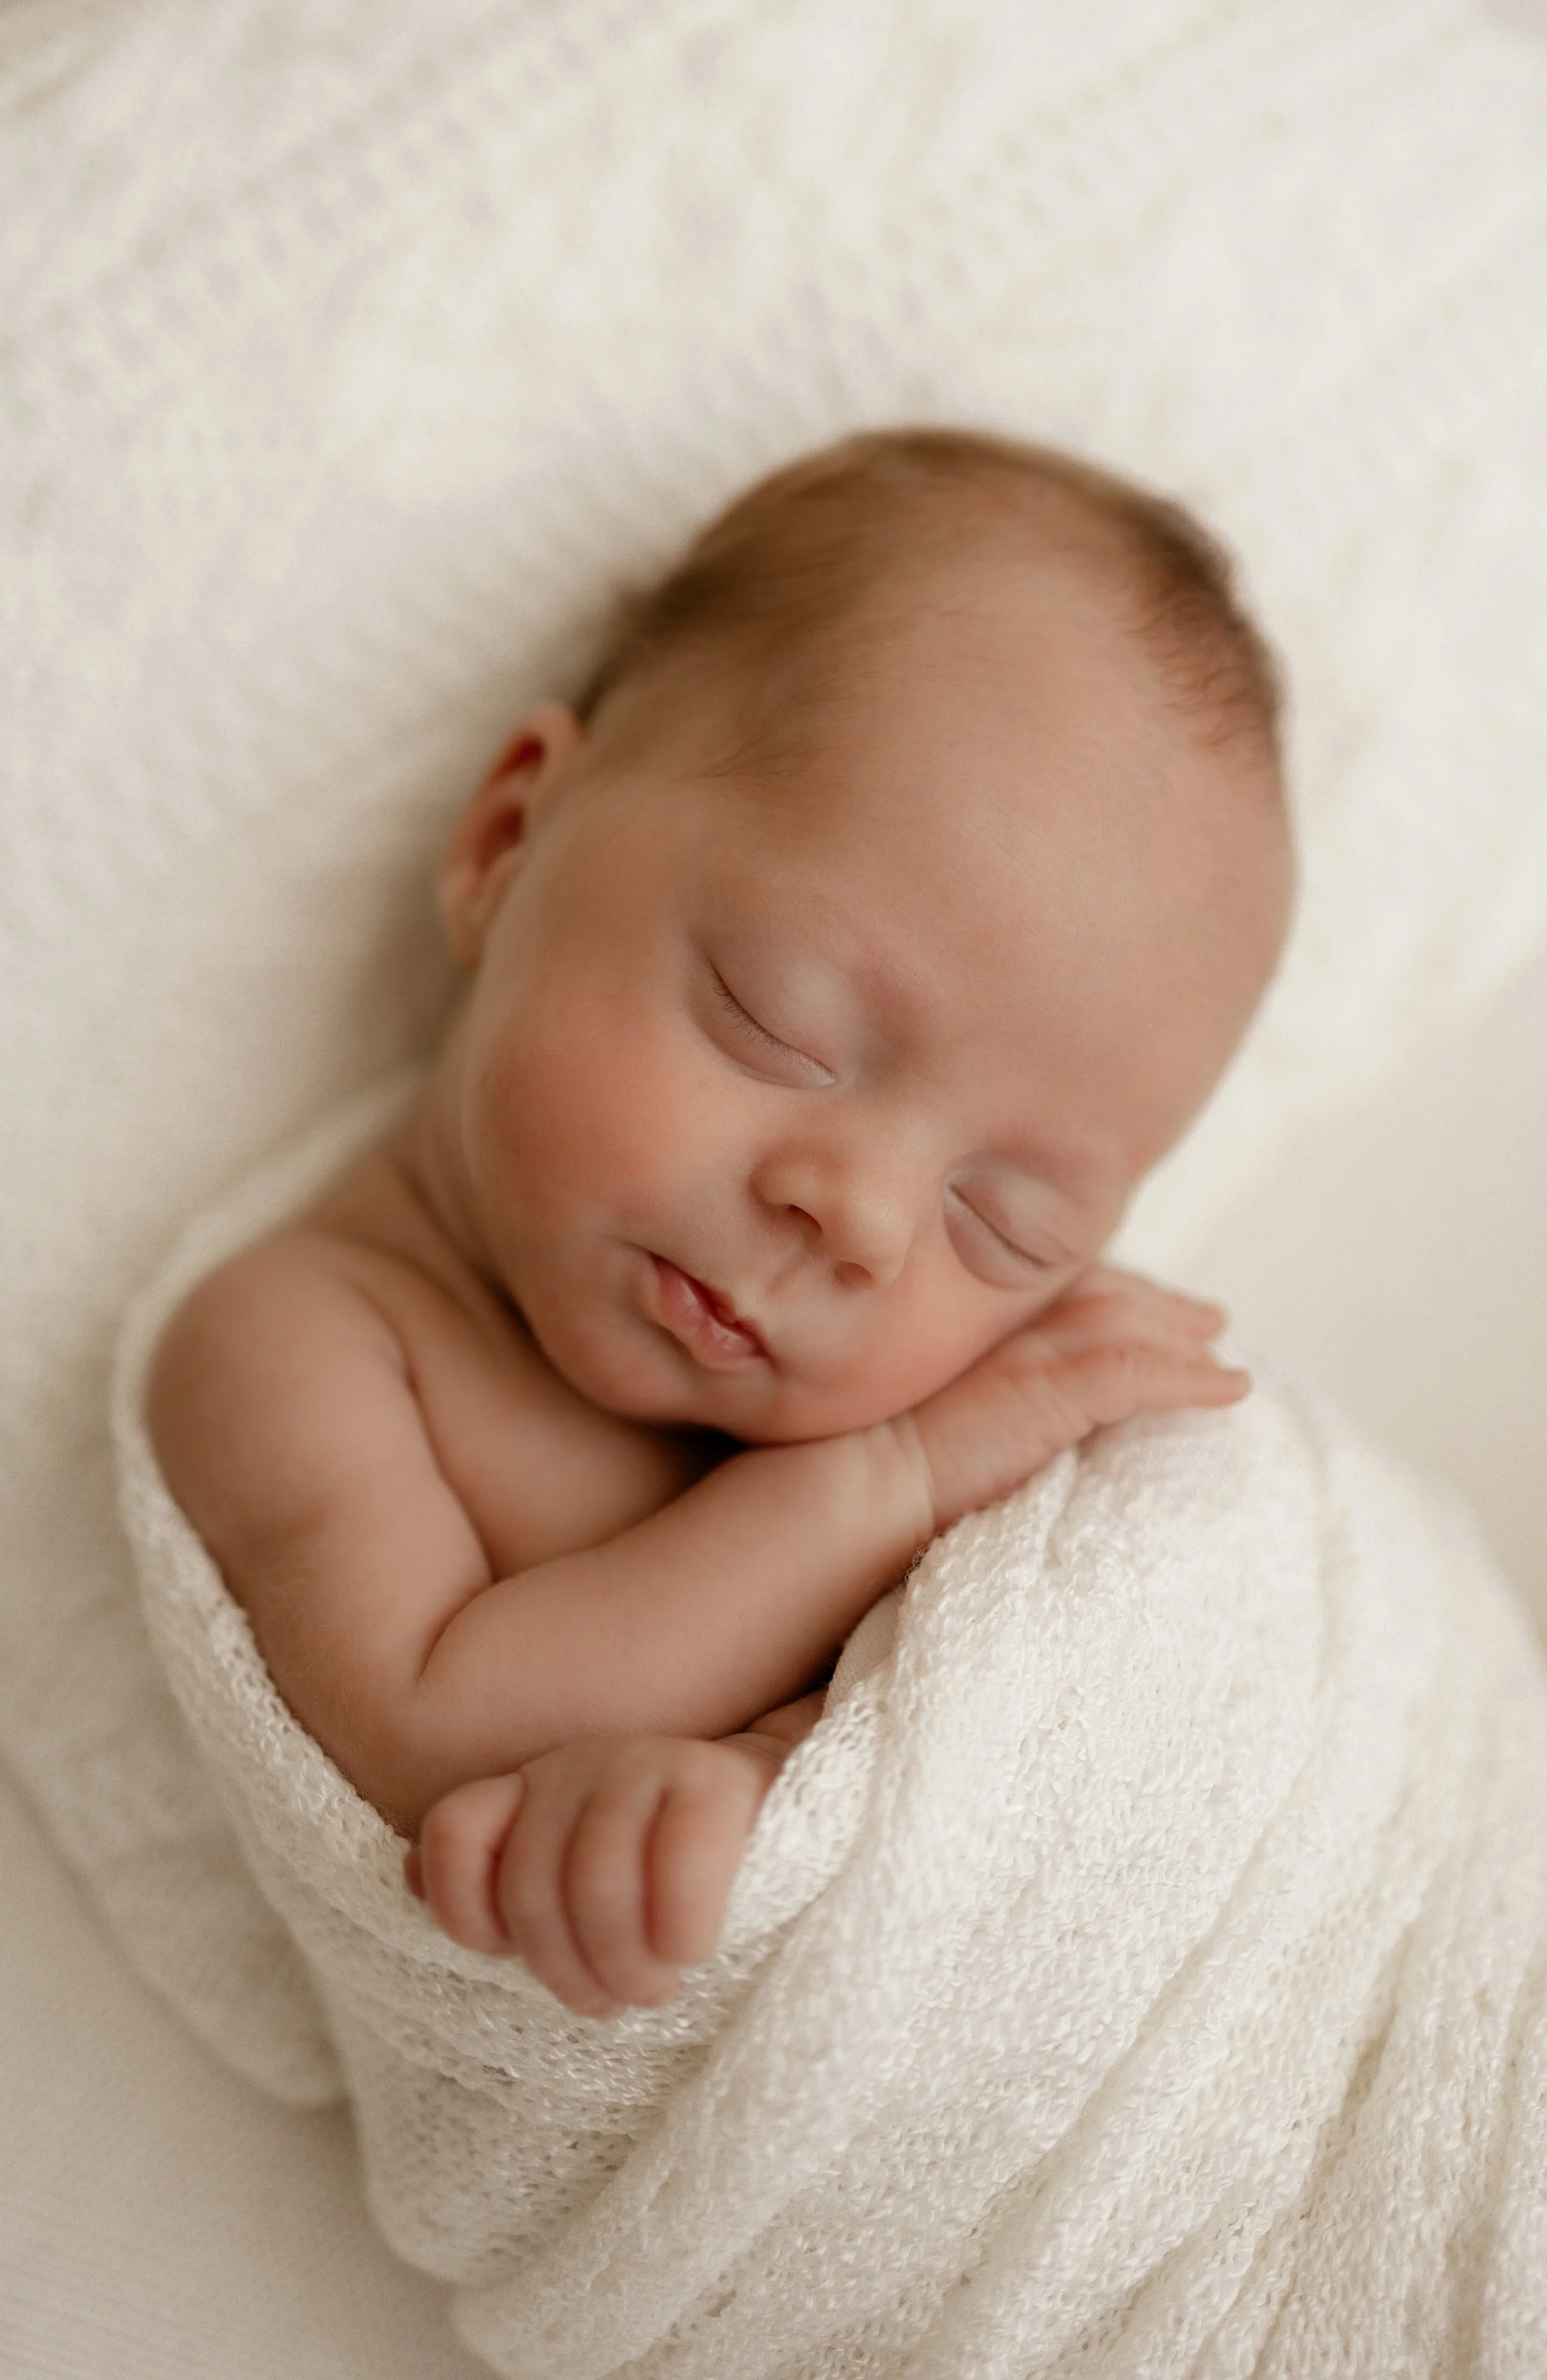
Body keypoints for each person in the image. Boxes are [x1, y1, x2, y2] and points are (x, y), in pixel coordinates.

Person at [148, 427, 1294, 2022]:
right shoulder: (308, 1333)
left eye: (1009, 1222)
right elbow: (419, 1731)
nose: (864, 1224)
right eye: (778, 1025)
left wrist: (792, 1776)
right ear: (505, 847)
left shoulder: (958, 1390)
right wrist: (881, 1487)